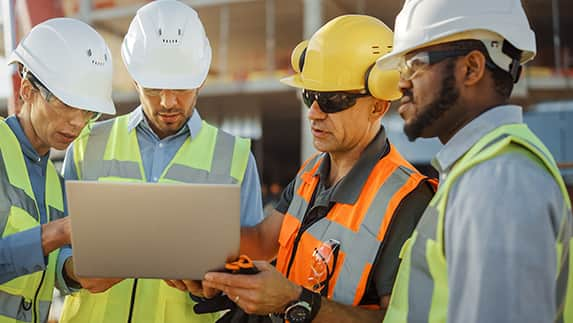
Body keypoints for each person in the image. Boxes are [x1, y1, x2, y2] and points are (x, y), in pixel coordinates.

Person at [176, 15, 436, 322]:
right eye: (309, 96)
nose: (313, 113)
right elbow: (261, 241)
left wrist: (297, 303)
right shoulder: (312, 172)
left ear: (378, 106)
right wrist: (193, 247)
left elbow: (401, 319)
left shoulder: (407, 201)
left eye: (332, 100)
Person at [58, 0, 264, 322]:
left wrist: (217, 284)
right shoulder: (87, 145)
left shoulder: (235, 157)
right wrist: (71, 272)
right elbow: (56, 246)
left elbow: (254, 262)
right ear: (135, 81)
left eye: (181, 88)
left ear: (201, 80)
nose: (168, 102)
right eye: (154, 89)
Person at [374, 0, 573, 322]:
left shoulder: (497, 183)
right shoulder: (481, 170)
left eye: (415, 65)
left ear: (471, 68)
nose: (402, 83)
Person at [0, 18, 115, 323]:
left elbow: (46, 273)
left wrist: (78, 272)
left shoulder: (55, 182)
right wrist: (56, 233)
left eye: (89, 111)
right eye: (67, 104)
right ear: (26, 89)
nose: (78, 122)